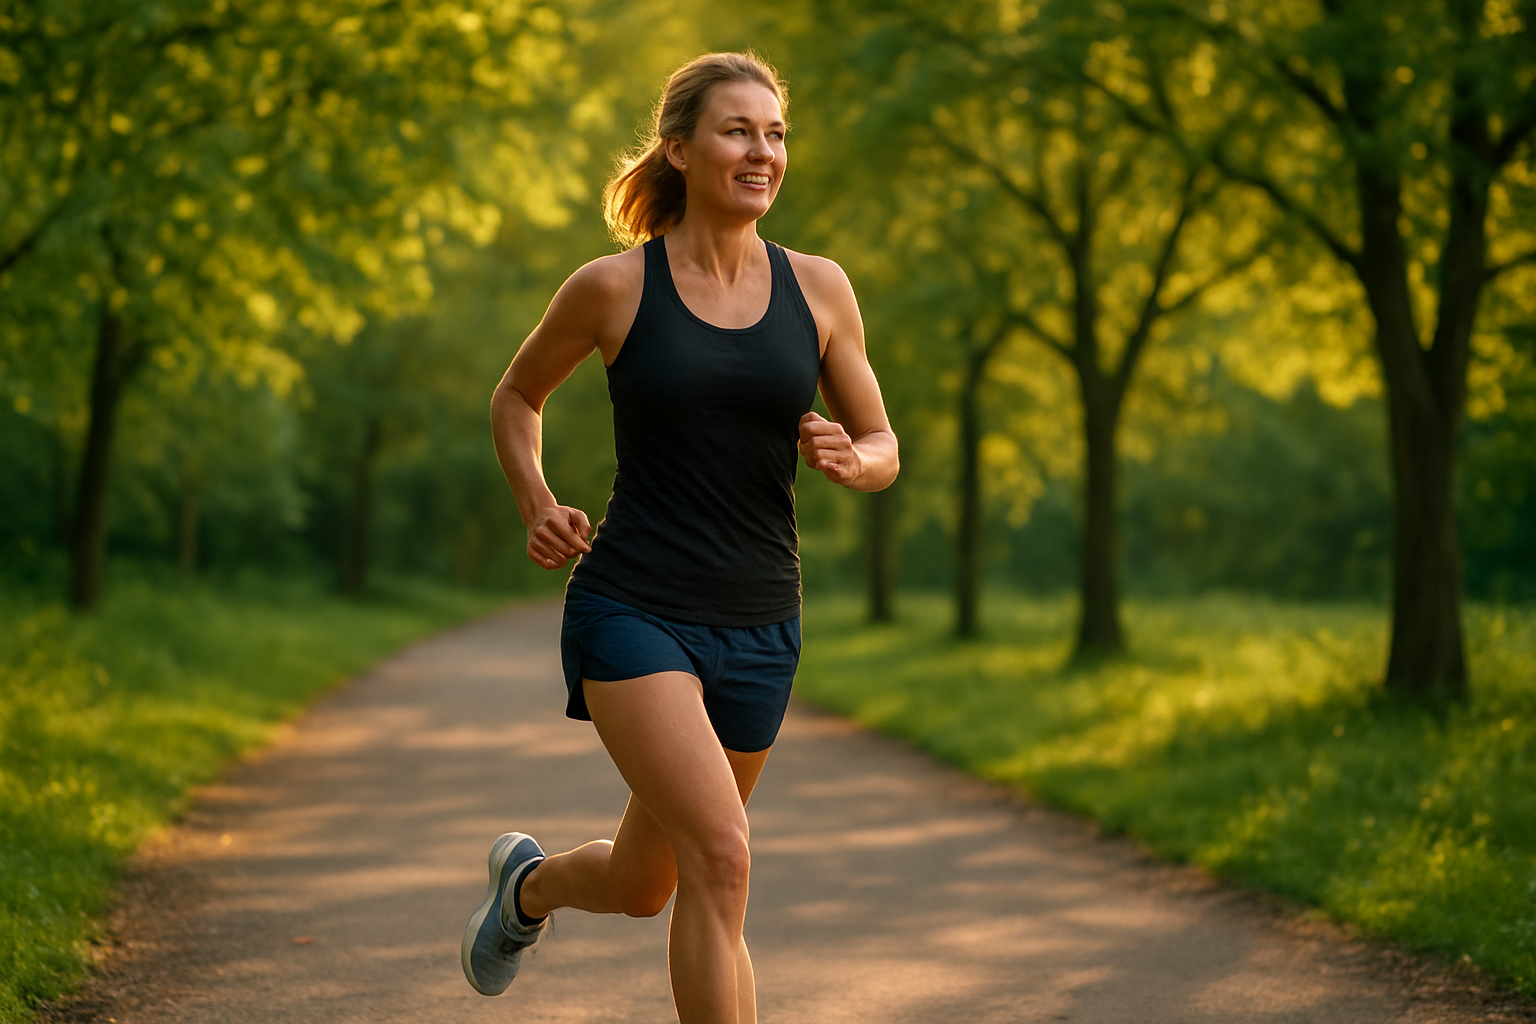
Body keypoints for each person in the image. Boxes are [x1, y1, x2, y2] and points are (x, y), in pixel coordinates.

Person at [465, 50, 898, 1024]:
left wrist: (855, 459)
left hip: (761, 622)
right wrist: (536, 499)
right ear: (681, 149)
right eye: (739, 130)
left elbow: (882, 440)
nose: (763, 150)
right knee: (725, 856)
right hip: (634, 609)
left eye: (776, 132)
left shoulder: (821, 290)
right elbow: (516, 395)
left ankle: (525, 889)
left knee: (647, 879)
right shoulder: (614, 288)